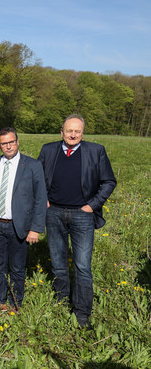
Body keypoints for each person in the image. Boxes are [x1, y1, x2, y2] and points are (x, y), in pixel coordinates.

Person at [38, 114, 116, 330]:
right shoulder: (48, 150)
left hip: (83, 215)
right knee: (58, 262)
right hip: (53, 213)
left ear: (82, 132)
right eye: (69, 130)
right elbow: (37, 178)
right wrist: (43, 199)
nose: (73, 135)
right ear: (61, 132)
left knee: (82, 266)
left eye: (77, 131)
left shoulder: (95, 151)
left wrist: (92, 205)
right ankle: (62, 302)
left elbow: (109, 181)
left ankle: (82, 313)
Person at [0, 127, 47, 312]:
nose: (8, 146)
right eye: (4, 143)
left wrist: (35, 228)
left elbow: (41, 198)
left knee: (17, 268)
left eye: (11, 142)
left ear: (17, 142)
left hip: (18, 226)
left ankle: (14, 303)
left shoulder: (32, 165)